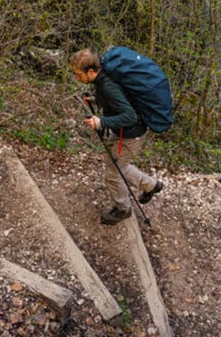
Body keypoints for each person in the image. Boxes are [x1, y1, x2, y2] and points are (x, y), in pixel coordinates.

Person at [70, 47, 163, 225]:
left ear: (90, 71)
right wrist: (96, 100)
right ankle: (151, 185)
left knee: (113, 173)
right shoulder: (104, 78)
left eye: (78, 74)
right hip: (128, 132)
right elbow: (119, 99)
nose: (77, 78)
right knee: (119, 165)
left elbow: (129, 116)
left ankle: (123, 209)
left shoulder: (107, 85)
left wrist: (101, 122)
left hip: (129, 135)